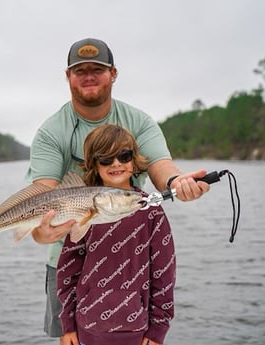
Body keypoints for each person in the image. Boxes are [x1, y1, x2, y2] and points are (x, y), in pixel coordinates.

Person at [25, 37, 209, 341]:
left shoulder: (139, 121)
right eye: (79, 70)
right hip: (68, 263)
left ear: (113, 73)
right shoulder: (51, 132)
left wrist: (179, 183)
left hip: (132, 266)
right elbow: (42, 191)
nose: (88, 76)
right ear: (67, 76)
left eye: (97, 69)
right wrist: (38, 230)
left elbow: (161, 166)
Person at [57, 124, 176, 345]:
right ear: (94, 164)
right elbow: (67, 270)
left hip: (138, 334)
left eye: (124, 155)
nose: (116, 164)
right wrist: (67, 325)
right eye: (106, 159)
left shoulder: (151, 211)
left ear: (133, 159)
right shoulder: (83, 209)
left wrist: (158, 330)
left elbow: (164, 273)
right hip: (86, 333)